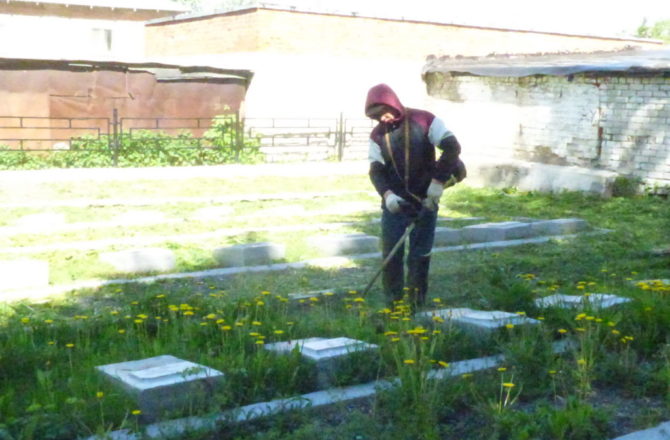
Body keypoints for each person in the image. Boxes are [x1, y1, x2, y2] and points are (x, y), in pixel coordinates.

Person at [365, 83, 465, 308]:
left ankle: (416, 304)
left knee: (420, 254)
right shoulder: (377, 135)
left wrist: (438, 182)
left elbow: (452, 147)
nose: (383, 118)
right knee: (391, 253)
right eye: (377, 116)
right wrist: (388, 195)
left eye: (385, 111)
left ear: (393, 104)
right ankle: (393, 304)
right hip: (396, 204)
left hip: (425, 199)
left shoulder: (425, 120)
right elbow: (376, 170)